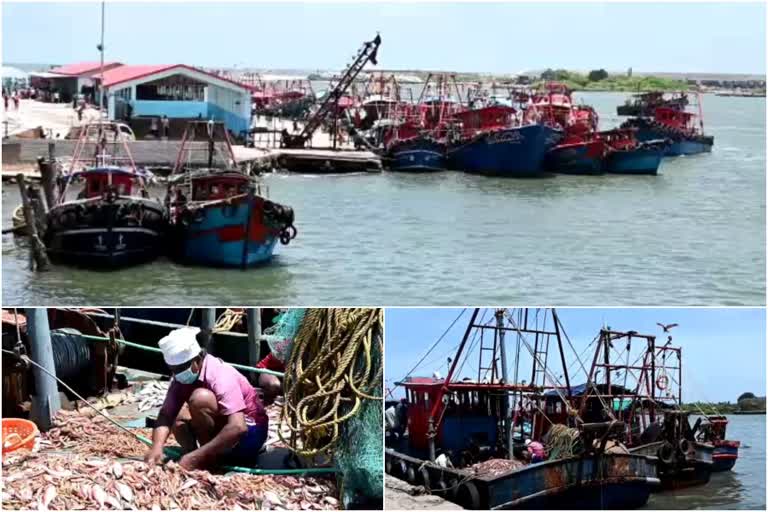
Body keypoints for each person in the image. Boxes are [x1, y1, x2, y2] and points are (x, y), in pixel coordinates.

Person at [144, 327, 269, 471]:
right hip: (223, 427)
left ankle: (205, 460)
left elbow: (238, 427)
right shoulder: (180, 379)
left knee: (200, 399)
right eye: (173, 370)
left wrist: (196, 457)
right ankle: (195, 456)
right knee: (177, 415)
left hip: (249, 435)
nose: (177, 374)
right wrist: (157, 446)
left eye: (181, 368)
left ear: (197, 360)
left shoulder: (220, 375)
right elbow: (166, 414)